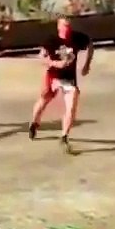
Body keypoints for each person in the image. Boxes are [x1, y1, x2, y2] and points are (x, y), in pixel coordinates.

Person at [29, 17, 93, 153]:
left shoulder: (77, 38)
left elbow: (90, 44)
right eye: (65, 26)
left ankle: (64, 137)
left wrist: (87, 64)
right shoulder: (52, 41)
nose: (67, 28)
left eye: (69, 25)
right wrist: (55, 63)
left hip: (69, 79)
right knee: (44, 101)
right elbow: (41, 57)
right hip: (53, 77)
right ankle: (34, 123)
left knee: (71, 107)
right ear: (59, 26)